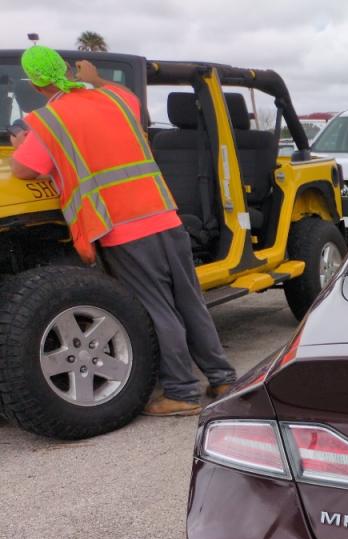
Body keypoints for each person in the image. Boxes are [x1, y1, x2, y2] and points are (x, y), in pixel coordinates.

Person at [10, 46, 236, 416]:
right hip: (164, 215)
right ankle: (222, 376)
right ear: (69, 69)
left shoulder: (47, 122)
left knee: (157, 307)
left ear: (35, 83)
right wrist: (96, 79)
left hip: (122, 228)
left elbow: (24, 171)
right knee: (188, 300)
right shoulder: (113, 99)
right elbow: (127, 98)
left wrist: (21, 145)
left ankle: (181, 392)